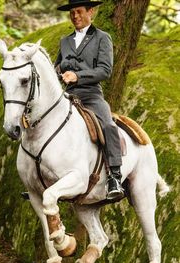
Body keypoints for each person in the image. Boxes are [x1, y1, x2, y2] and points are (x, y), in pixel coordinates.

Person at [55, 0, 124, 200]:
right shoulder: (64, 41)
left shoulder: (103, 38)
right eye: (72, 13)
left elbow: (105, 70)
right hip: (67, 95)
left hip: (91, 94)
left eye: (78, 12)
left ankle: (115, 177)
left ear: (90, 11)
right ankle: (42, 176)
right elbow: (56, 66)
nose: (75, 16)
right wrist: (58, 73)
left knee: (109, 126)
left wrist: (78, 76)